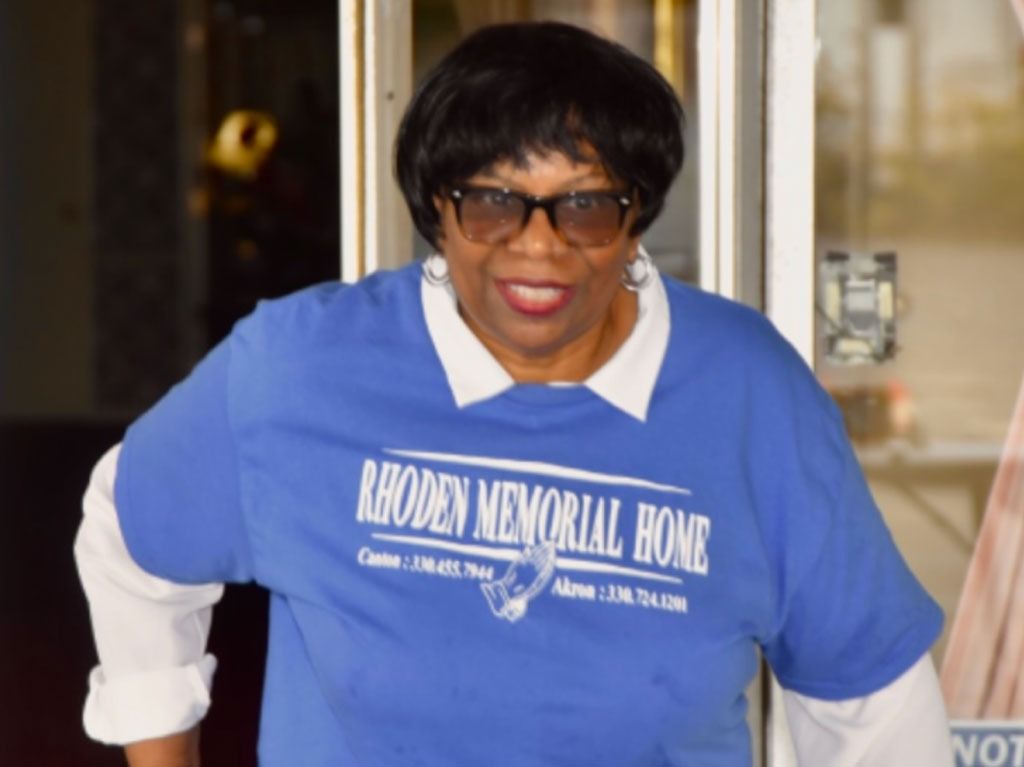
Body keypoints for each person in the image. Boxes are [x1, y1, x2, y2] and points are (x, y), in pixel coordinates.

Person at [76, 21, 954, 766]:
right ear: (434, 205)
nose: (538, 246)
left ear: (636, 214)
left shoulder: (749, 392)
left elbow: (872, 706)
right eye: (493, 202)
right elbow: (129, 528)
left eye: (586, 207)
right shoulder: (301, 367)